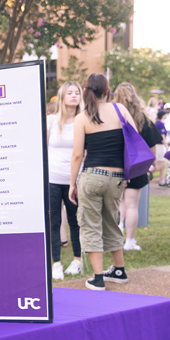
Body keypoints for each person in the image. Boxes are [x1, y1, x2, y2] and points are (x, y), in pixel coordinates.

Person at [69, 73, 136, 291]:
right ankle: (119, 270)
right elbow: (133, 139)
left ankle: (98, 278)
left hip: (92, 176)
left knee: (91, 224)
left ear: (86, 90)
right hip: (117, 177)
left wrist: (72, 184)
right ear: (107, 91)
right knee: (112, 221)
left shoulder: (82, 117)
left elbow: (77, 155)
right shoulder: (120, 109)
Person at [113, 82, 163, 251]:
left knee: (119, 203)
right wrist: (152, 161)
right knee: (132, 205)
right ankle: (130, 241)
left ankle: (118, 231)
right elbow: (152, 144)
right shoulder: (142, 118)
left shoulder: (112, 116)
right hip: (137, 165)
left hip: (116, 164)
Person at [46, 81, 84, 280]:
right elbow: (42, 149)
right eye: (69, 92)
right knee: (54, 221)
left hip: (75, 181)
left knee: (75, 221)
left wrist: (76, 181)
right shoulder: (51, 121)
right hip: (53, 179)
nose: (74, 95)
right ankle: (56, 263)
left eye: (77, 92)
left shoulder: (83, 121)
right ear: (62, 96)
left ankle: (77, 261)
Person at [155, 109, 170, 186]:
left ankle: (162, 181)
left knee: (163, 164)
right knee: (162, 163)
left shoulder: (158, 123)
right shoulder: (160, 124)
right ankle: (148, 173)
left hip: (158, 145)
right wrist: (166, 146)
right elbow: (162, 136)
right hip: (160, 146)